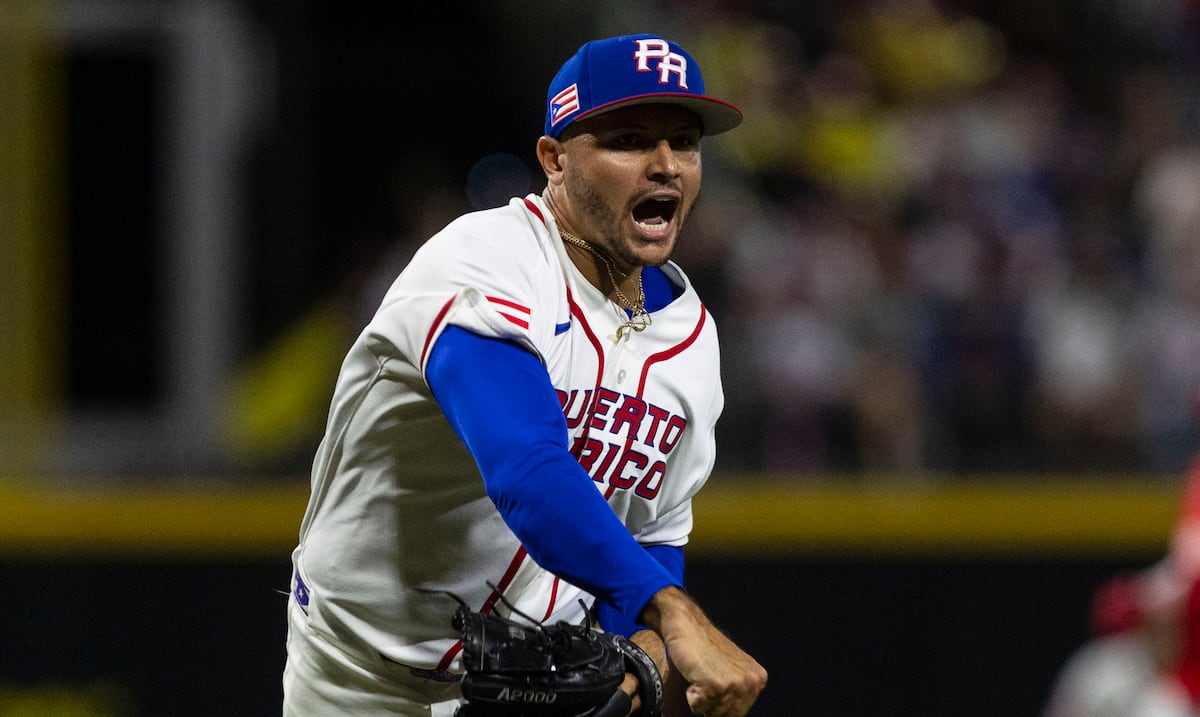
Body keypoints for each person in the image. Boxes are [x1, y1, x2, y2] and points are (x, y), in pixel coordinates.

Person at [282, 33, 768, 717]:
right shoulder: (483, 261)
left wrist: (642, 658)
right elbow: (526, 468)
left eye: (684, 142)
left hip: (534, 678)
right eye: (629, 140)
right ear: (555, 159)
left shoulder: (692, 339)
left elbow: (653, 530)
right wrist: (673, 612)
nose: (665, 166)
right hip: (363, 674)